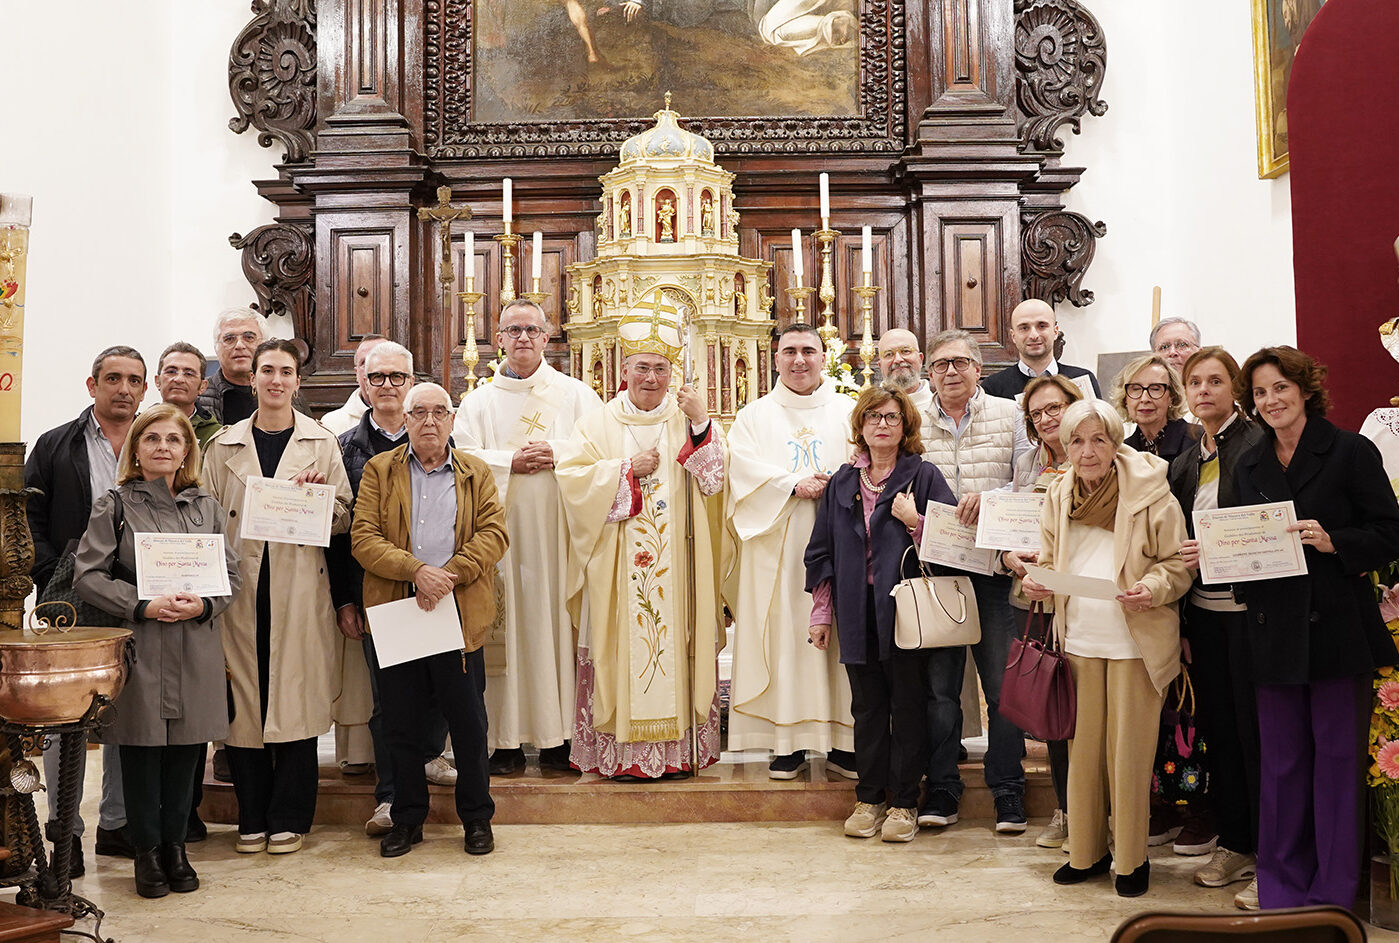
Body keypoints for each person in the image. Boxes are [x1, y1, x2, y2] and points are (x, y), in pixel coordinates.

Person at [1232, 346, 1399, 909]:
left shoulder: (1350, 450)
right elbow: (1235, 549)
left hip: (1338, 634)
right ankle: (1280, 893)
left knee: (1336, 769)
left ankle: (1334, 897)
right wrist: (1207, 555)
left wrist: (1336, 542)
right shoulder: (1247, 464)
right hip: (1272, 634)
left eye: (1280, 387)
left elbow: (1389, 532)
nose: (1271, 400)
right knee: (1279, 770)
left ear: (1305, 390)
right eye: (1259, 392)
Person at [1023, 399, 1192, 898]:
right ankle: (1087, 853)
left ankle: (1132, 861)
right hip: (1077, 640)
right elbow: (1051, 559)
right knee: (1084, 755)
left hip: (1134, 641)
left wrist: (1153, 589)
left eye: (1098, 439)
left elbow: (1177, 566)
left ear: (1116, 441)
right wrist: (1038, 584)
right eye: (1077, 440)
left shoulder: (1149, 491)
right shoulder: (1058, 491)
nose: (1087, 450)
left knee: (1129, 756)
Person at [73, 404, 240, 898]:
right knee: (141, 755)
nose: (163, 447)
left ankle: (176, 848)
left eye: (173, 439)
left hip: (195, 645)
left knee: (187, 754)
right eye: (152, 439)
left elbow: (230, 576)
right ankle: (146, 853)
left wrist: (204, 603)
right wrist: (141, 605)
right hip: (142, 645)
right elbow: (88, 576)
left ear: (187, 449)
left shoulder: (205, 507)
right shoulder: (114, 505)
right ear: (136, 449)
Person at [555, 304, 727, 780]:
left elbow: (714, 484)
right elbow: (572, 483)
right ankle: (621, 755)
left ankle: (677, 752)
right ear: (624, 370)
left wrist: (699, 426)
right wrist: (626, 470)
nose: (651, 377)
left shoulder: (688, 417)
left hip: (682, 568)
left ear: (673, 373)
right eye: (642, 367)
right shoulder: (597, 423)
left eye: (661, 368)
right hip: (615, 570)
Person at [203, 339, 352, 855]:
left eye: (286, 372)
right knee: (244, 703)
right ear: (253, 378)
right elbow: (203, 519)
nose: (275, 380)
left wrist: (319, 498)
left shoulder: (322, 444)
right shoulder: (222, 446)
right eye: (267, 370)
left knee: (293, 696)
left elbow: (344, 519)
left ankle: (290, 814)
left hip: (297, 587)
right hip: (239, 592)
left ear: (297, 381)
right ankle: (252, 816)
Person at [352, 383, 508, 858]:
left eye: (439, 412)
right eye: (419, 412)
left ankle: (477, 820)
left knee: (467, 724)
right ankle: (407, 819)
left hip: (457, 614)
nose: (429, 422)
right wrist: (416, 571)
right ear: (406, 417)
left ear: (452, 419)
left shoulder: (475, 472)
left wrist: (448, 575)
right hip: (400, 614)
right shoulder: (381, 469)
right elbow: (363, 537)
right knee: (401, 724)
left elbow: (494, 533)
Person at [453, 299, 603, 776]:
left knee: (557, 629)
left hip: (561, 537)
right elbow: (463, 460)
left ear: (547, 337)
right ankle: (506, 741)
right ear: (497, 339)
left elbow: (600, 447)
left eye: (532, 330)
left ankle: (561, 739)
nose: (522, 338)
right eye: (512, 330)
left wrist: (556, 451)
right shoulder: (477, 402)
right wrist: (509, 463)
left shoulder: (576, 395)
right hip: (498, 539)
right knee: (505, 631)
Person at [804, 386, 956, 842]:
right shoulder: (843, 482)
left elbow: (953, 546)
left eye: (891, 417)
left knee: (908, 708)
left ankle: (905, 804)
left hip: (905, 613)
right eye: (873, 417)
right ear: (861, 426)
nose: (882, 424)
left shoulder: (923, 475)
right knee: (867, 708)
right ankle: (869, 798)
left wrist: (915, 521)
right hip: (855, 612)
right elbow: (822, 551)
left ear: (906, 425)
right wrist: (821, 613)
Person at [25, 345, 147, 874]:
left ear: (146, 389)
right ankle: (64, 834)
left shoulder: (158, 441)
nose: (124, 388)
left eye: (134, 380)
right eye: (113, 378)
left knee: (126, 713)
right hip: (69, 597)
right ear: (92, 385)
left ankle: (117, 824)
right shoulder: (57, 444)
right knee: (65, 717)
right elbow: (27, 516)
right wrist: (54, 572)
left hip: (139, 594)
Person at [328, 341, 455, 838]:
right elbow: (341, 538)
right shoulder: (346, 448)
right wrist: (345, 598)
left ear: (410, 384)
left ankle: (426, 759)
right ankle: (391, 795)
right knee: (389, 699)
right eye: (377, 378)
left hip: (441, 589)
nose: (386, 386)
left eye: (396, 378)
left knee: (441, 689)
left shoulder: (440, 438)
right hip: (378, 591)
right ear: (363, 384)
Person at [727, 324, 857, 781]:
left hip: (843, 542)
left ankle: (844, 740)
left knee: (842, 635)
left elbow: (873, 458)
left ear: (824, 356)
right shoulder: (753, 416)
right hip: (778, 546)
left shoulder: (850, 409)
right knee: (786, 635)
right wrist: (791, 485)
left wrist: (838, 482)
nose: (799, 360)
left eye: (808, 351)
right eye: (789, 352)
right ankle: (787, 742)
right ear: (775, 358)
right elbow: (738, 471)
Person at [918, 329, 1032, 834]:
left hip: (991, 569)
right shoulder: (913, 421)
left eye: (960, 363)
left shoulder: (1011, 415)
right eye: (941, 364)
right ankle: (942, 786)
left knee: (1002, 686)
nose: (950, 372)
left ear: (978, 368)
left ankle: (1008, 789)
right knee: (940, 691)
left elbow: (1030, 480)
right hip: (938, 572)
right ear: (929, 372)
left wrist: (994, 497)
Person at [1168, 347, 1266, 910]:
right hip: (1205, 615)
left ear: (1235, 388)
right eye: (1195, 383)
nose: (1203, 391)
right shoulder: (1185, 460)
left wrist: (1220, 548)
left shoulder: (1258, 447)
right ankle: (1234, 842)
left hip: (1252, 616)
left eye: (1215, 381)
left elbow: (1265, 527)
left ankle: (1268, 850)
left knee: (1258, 737)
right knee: (1221, 734)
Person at [1000, 373, 1084, 850]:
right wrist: (1010, 558)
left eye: (1055, 408)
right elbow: (1011, 527)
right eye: (1037, 414)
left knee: (1088, 709)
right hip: (1032, 600)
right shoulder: (1029, 462)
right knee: (1054, 710)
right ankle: (1066, 811)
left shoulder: (1095, 458)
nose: (1047, 419)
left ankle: (1097, 809)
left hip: (1079, 602)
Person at [981, 299, 1101, 401]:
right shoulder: (993, 388)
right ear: (1013, 336)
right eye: (1024, 328)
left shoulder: (1083, 380)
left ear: (1055, 332)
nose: (1033, 335)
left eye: (1042, 326)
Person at [1114, 353, 1202, 462]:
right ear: (1125, 399)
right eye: (1136, 389)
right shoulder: (1122, 453)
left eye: (1155, 389)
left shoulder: (1199, 440)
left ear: (1172, 397)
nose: (1144, 398)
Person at [196, 308, 266, 425]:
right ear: (216, 348)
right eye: (229, 339)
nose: (239, 345)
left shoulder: (284, 393)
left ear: (264, 346)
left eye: (249, 337)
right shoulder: (197, 397)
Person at [154, 342, 221, 448]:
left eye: (189, 374)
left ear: (203, 386)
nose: (179, 379)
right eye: (171, 371)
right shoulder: (141, 427)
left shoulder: (216, 436)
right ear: (157, 381)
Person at [320, 334, 388, 436]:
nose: (373, 368)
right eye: (364, 362)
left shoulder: (416, 418)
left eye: (380, 359)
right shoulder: (332, 424)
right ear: (356, 373)